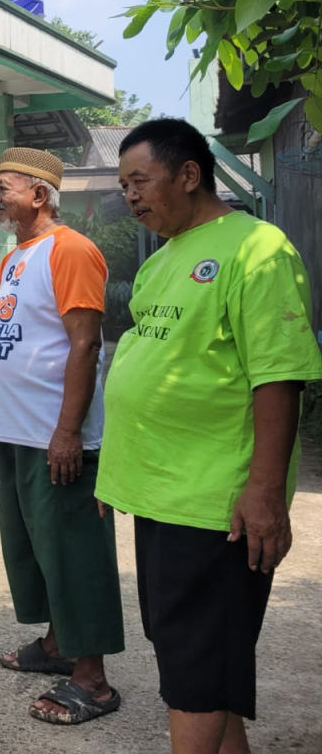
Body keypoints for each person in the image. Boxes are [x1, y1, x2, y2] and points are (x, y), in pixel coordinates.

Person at [96, 119, 322, 754]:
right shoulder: (162, 260)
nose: (130, 196)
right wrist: (117, 473)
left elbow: (278, 376)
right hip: (161, 495)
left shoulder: (258, 249)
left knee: (196, 673)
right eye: (124, 185)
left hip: (215, 503)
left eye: (140, 181)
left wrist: (265, 491)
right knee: (194, 657)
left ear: (189, 174)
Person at [0, 148, 123, 724]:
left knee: (74, 552)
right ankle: (59, 643)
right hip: (16, 433)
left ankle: (93, 680)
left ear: (40, 194)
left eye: (4, 187)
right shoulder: (13, 258)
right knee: (33, 549)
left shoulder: (72, 250)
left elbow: (85, 344)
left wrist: (68, 432)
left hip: (55, 435)